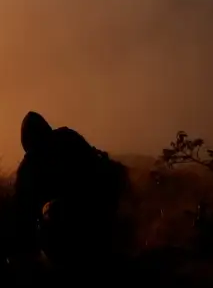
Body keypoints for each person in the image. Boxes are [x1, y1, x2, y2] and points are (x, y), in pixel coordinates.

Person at [13, 111, 127, 272]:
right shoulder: (28, 170)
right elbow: (23, 215)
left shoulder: (67, 141)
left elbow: (99, 170)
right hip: (66, 231)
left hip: (93, 215)